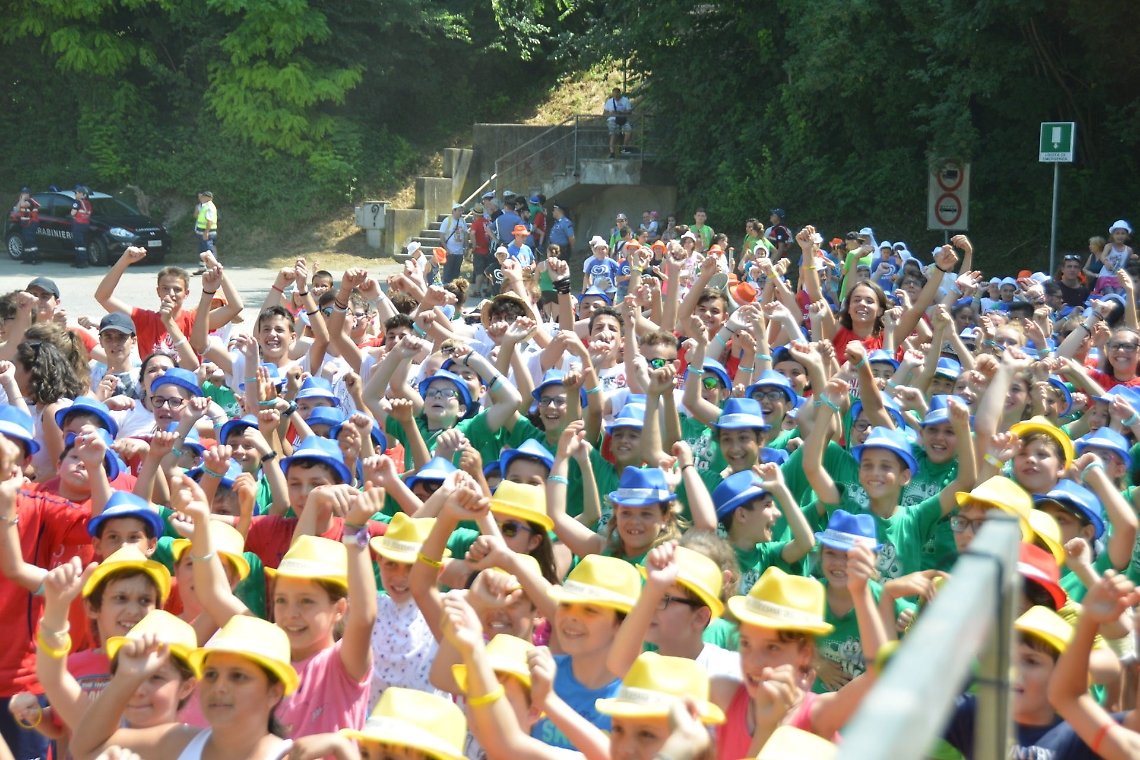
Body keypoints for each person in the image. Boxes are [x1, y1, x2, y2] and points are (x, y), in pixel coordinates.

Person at [440, 203, 469, 286]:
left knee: (456, 273)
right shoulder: (447, 220)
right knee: (448, 272)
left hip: (459, 252)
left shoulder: (463, 221)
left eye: (461, 210)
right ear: (454, 211)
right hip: (450, 251)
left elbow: (466, 234)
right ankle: (446, 288)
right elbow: (442, 235)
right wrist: (446, 248)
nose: (461, 212)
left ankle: (454, 290)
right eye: (459, 210)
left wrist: (466, 247)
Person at [192, 191, 218, 275]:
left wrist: (206, 232)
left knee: (208, 251)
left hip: (207, 233)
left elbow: (210, 220)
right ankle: (202, 268)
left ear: (206, 197)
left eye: (202, 197)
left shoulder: (209, 207)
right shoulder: (204, 206)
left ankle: (215, 269)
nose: (200, 198)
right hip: (202, 232)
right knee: (202, 250)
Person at [11, 189, 40, 266]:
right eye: (22, 193)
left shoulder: (31, 201)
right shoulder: (23, 201)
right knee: (25, 241)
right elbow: (17, 208)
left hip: (32, 223)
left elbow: (24, 205)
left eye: (24, 193)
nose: (23, 195)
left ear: (28, 194)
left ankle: (37, 258)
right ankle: (28, 258)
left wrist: (22, 199)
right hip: (25, 224)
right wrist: (21, 199)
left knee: (30, 240)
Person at [604, 87, 633, 158]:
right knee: (614, 134)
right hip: (612, 119)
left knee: (629, 131)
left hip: (622, 118)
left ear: (620, 94)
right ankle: (612, 153)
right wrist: (611, 113)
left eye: (617, 95)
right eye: (614, 96)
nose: (615, 97)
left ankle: (624, 148)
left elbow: (629, 111)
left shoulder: (625, 100)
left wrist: (621, 112)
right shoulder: (609, 101)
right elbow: (604, 114)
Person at [70, 185, 92, 269]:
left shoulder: (77, 202)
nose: (75, 195)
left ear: (81, 193)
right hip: (86, 224)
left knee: (79, 244)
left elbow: (72, 213)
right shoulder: (87, 203)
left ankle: (82, 261)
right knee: (81, 244)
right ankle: (79, 261)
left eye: (76, 193)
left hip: (78, 224)